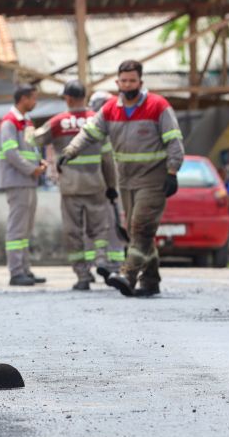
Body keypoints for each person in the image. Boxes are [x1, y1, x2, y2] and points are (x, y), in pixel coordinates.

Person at [60, 60, 185, 297]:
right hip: (126, 180)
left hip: (153, 179)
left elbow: (174, 140)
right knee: (136, 230)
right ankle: (150, 280)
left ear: (141, 82)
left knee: (140, 228)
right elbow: (89, 132)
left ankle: (128, 275)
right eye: (124, 81)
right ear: (118, 82)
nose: (128, 85)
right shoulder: (110, 109)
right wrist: (70, 151)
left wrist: (172, 171)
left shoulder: (158, 106)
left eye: (132, 81)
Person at [34, 80, 118, 291]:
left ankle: (82, 276)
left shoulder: (58, 122)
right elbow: (108, 159)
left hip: (70, 187)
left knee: (73, 231)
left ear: (69, 99)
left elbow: (35, 140)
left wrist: (25, 128)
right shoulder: (97, 121)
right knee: (99, 229)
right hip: (96, 184)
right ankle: (100, 260)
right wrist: (111, 185)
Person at [0, 84, 49, 286]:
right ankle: (16, 272)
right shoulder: (9, 123)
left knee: (25, 228)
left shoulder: (25, 122)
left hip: (27, 180)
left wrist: (39, 163)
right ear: (24, 99)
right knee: (17, 228)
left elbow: (30, 149)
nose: (35, 102)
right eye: (33, 98)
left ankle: (25, 270)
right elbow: (11, 153)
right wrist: (32, 169)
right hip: (17, 180)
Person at [88, 90, 127, 273]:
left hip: (105, 183)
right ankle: (109, 261)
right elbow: (107, 160)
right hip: (104, 183)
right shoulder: (100, 127)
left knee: (104, 224)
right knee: (108, 223)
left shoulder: (109, 126)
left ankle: (103, 261)